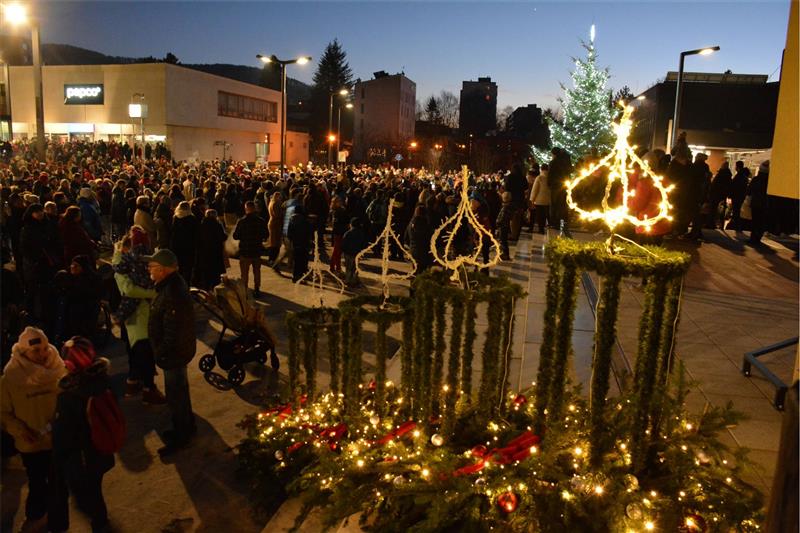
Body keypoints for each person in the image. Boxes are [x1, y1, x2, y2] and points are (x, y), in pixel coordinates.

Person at [0, 327, 69, 532]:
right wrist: (20, 430)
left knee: (59, 484)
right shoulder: (10, 379)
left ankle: (58, 523)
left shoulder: (59, 368)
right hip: (31, 444)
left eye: (45, 348)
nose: (43, 354)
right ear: (23, 352)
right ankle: (36, 516)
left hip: (57, 440)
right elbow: (3, 412)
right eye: (35, 350)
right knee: (37, 482)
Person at [53, 337, 115, 533]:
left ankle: (100, 522)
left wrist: (58, 457)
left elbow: (63, 436)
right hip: (102, 448)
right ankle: (100, 520)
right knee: (95, 488)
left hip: (82, 456)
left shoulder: (68, 396)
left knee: (87, 495)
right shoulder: (102, 380)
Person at [145, 249, 197, 457]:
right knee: (179, 392)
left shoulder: (172, 292)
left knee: (176, 395)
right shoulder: (169, 286)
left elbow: (173, 331)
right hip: (176, 352)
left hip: (173, 353)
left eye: (152, 267)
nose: (149, 269)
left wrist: (160, 351)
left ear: (164, 270)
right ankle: (187, 427)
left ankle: (182, 435)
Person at [113, 228, 166, 405]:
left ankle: (133, 383)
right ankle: (149, 390)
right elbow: (128, 290)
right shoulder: (122, 265)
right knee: (144, 352)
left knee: (136, 352)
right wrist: (152, 293)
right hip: (135, 315)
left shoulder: (130, 263)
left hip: (137, 313)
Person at [232, 201, 267, 296]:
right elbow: (266, 234)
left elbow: (235, 236)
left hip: (245, 250)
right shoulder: (261, 221)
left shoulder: (242, 221)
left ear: (246, 209)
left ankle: (245, 290)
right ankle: (257, 289)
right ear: (254, 209)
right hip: (256, 250)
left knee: (244, 273)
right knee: (257, 271)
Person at [194, 209, 227, 290]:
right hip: (216, 251)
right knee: (216, 272)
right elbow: (223, 237)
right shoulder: (217, 225)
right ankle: (215, 288)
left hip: (204, 252)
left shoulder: (201, 225)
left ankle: (206, 288)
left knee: (206, 271)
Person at [170, 201, 199, 287]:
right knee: (188, 268)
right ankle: (186, 285)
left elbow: (173, 232)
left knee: (179, 267)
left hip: (177, 246)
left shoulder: (175, 218)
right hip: (189, 247)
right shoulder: (192, 219)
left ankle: (179, 285)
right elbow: (195, 234)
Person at [547, 147, 573, 234]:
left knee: (555, 204)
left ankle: (555, 223)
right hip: (564, 185)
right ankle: (563, 222)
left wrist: (549, 184)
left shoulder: (553, 162)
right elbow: (570, 171)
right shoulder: (565, 162)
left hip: (555, 186)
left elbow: (550, 174)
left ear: (553, 154)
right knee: (562, 204)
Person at [287, 204, 312, 283]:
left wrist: (291, 239)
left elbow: (289, 233)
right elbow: (309, 232)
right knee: (303, 261)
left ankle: (295, 276)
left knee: (296, 261)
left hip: (295, 243)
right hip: (304, 243)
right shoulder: (305, 220)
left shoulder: (291, 219)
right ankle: (301, 277)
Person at [405, 205, 434, 274]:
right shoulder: (424, 223)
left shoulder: (411, 222)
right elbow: (428, 236)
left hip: (414, 249)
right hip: (423, 251)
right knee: (422, 271)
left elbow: (406, 236)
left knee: (416, 269)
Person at [747, 161, 770, 246]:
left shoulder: (756, 179)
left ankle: (753, 238)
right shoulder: (770, 181)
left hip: (755, 203)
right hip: (765, 204)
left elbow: (749, 191)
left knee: (755, 221)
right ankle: (758, 238)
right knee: (761, 222)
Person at [341, 217, 367, 287]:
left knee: (348, 268)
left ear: (351, 224)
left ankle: (347, 280)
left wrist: (343, 251)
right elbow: (364, 244)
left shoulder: (348, 233)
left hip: (348, 253)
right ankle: (353, 280)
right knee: (355, 268)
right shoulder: (361, 233)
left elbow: (343, 243)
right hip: (356, 253)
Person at [707, 161, 732, 229]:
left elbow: (716, 184)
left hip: (716, 194)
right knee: (715, 209)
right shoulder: (727, 174)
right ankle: (713, 223)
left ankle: (711, 223)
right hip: (720, 194)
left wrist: (711, 191)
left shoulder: (722, 174)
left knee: (712, 209)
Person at [729, 161, 751, 233]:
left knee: (736, 211)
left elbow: (735, 186)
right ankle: (737, 226)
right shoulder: (743, 176)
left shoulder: (739, 176)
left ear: (737, 167)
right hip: (740, 196)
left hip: (737, 196)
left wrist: (731, 194)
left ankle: (736, 226)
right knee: (737, 211)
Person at [329, 195, 348, 273]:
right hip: (339, 233)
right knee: (337, 251)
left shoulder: (336, 210)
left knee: (338, 251)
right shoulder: (338, 211)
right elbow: (338, 223)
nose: (340, 202)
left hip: (338, 232)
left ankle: (336, 267)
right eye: (338, 201)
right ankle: (335, 267)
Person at [266, 191, 284, 264]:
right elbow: (277, 214)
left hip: (273, 223)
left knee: (273, 242)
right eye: (280, 197)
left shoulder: (272, 202)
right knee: (275, 243)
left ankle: (272, 258)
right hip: (275, 224)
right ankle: (273, 259)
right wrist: (283, 213)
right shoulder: (276, 203)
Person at [495, 192, 513, 261]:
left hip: (502, 226)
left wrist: (497, 222)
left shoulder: (505, 208)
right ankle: (505, 254)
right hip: (506, 226)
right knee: (504, 241)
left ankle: (505, 255)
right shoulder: (509, 207)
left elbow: (502, 218)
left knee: (503, 241)